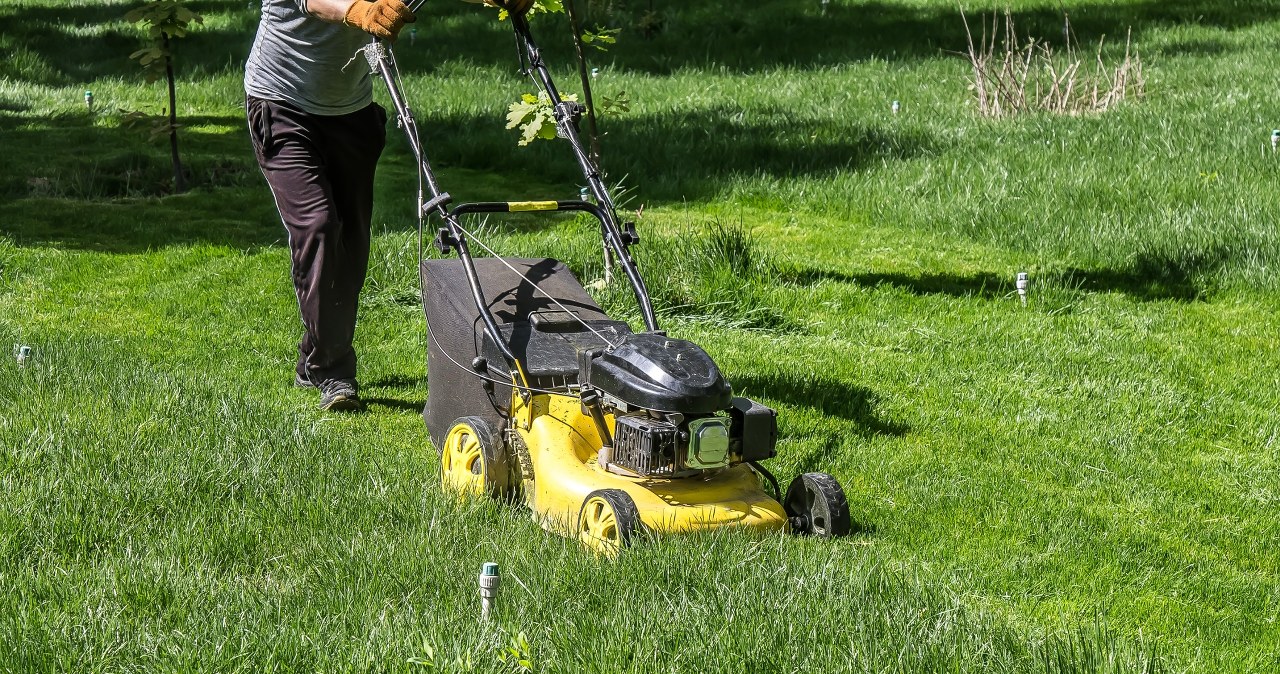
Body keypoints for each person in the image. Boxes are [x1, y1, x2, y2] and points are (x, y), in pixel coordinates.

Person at [244, 0, 416, 411]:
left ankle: (313, 354)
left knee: (351, 245)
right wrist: (357, 9)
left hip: (351, 112)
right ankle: (334, 372)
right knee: (319, 226)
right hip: (282, 102)